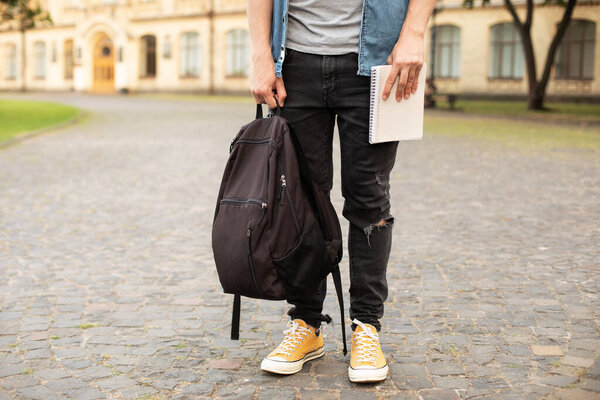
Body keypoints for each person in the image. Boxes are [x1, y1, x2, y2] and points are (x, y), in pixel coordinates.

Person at [247, 0, 435, 383]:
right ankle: (306, 323)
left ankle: (366, 327)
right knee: (301, 201)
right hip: (294, 63)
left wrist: (414, 32)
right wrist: (260, 53)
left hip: (379, 61)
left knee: (370, 201)